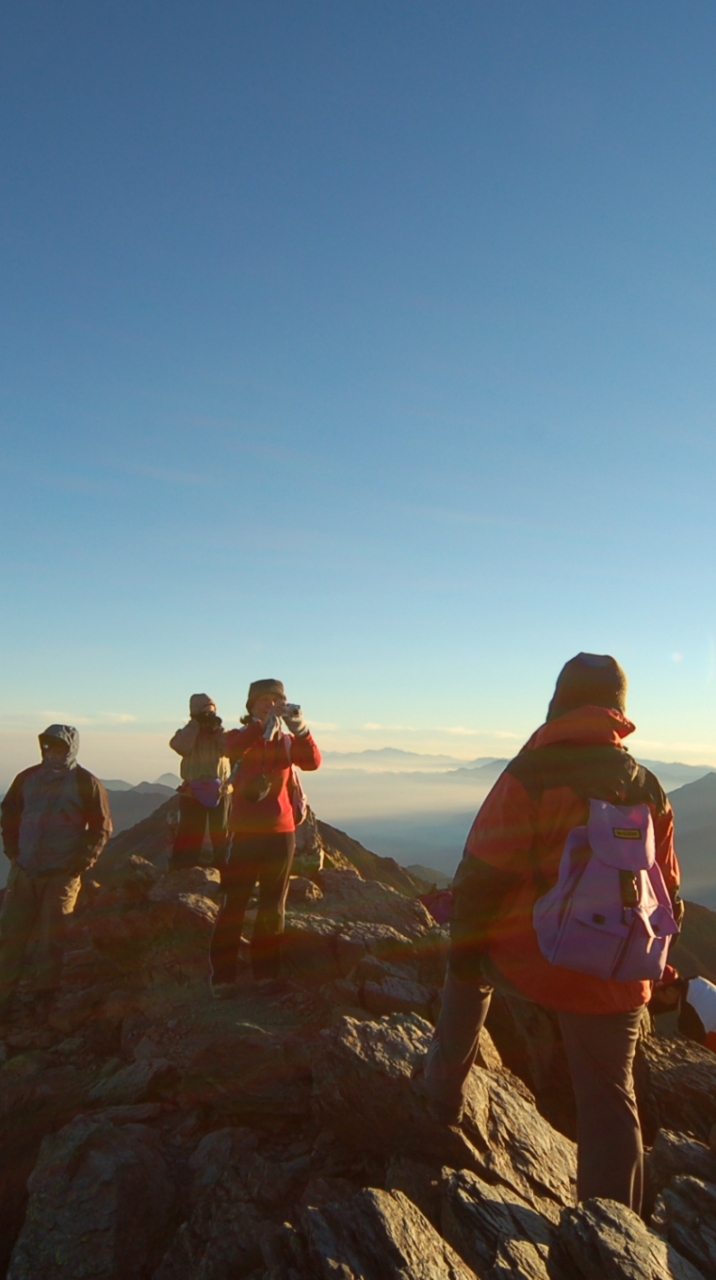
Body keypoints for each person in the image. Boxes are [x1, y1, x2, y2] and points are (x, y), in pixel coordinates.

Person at [414, 653, 682, 1213]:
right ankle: (614, 1239)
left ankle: (438, 1098)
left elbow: (482, 872)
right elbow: (668, 895)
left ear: (559, 701)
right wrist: (653, 968)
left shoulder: (530, 772)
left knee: (468, 980)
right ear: (618, 711)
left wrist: (464, 953)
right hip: (614, 970)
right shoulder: (649, 787)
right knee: (612, 1098)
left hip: (533, 959)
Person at [209, 678, 321, 995]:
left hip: (281, 832)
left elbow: (312, 762)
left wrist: (300, 729)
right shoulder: (241, 737)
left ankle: (266, 974)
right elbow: (229, 748)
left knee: (273, 906)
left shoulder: (286, 742)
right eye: (263, 701)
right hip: (245, 833)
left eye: (276, 701)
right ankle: (223, 977)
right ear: (251, 705)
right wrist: (261, 727)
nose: (270, 706)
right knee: (234, 904)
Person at [0, 725, 112, 1018]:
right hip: (24, 870)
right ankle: (4, 996)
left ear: (71, 749)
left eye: (59, 747)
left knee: (52, 939)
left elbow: (101, 826)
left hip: (62, 872)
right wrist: (12, 850)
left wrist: (80, 864)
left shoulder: (86, 782)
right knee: (10, 934)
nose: (52, 752)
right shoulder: (27, 778)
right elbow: (9, 812)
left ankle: (43, 998)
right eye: (48, 747)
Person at [169, 694, 230, 870]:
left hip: (222, 791)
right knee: (190, 834)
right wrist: (195, 724)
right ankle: (183, 870)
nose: (208, 718)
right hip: (192, 792)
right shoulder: (187, 733)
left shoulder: (221, 733)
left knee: (221, 834)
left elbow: (230, 748)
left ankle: (223, 869)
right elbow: (180, 746)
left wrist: (217, 729)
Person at [650, 965, 716, 1053]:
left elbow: (687, 1045)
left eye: (656, 994)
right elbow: (663, 1005)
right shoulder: (694, 981)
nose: (656, 998)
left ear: (670, 991)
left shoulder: (691, 1014)